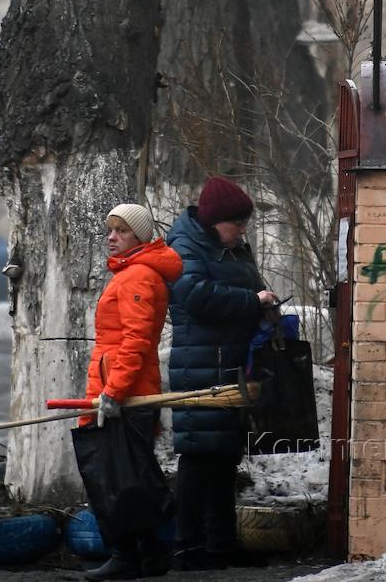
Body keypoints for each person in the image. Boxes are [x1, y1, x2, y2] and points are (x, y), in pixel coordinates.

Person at [166, 176, 279, 571]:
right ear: (215, 221)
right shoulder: (185, 247)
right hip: (200, 365)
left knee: (225, 455)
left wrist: (265, 306)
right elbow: (195, 296)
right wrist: (252, 300)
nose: (243, 230)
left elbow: (247, 290)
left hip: (230, 364)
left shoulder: (231, 248)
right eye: (238, 223)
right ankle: (188, 546)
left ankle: (221, 544)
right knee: (199, 455)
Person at [79, 203, 183, 582]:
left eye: (121, 231)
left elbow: (135, 341)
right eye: (110, 230)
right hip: (121, 390)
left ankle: (126, 556)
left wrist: (114, 391)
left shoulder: (137, 275)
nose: (111, 237)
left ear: (139, 236)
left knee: (117, 479)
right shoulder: (131, 272)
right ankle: (150, 555)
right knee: (129, 476)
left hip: (127, 395)